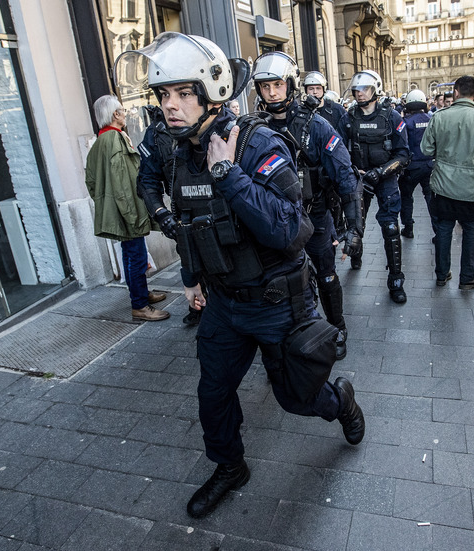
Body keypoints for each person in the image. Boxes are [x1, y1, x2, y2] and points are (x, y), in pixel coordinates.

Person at [119, 32, 365, 520]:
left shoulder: (257, 144)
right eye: (163, 95)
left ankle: (342, 402)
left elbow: (291, 229)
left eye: (183, 94)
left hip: (278, 302)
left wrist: (230, 175)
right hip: (225, 303)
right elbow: (192, 222)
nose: (170, 106)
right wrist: (191, 278)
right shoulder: (180, 152)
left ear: (213, 90)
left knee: (298, 399)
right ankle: (230, 467)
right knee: (212, 391)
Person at [252, 52, 364, 361]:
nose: (272, 92)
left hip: (313, 218)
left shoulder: (316, 126)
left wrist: (355, 227)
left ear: (289, 85)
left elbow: (345, 174)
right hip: (273, 224)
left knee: (326, 275)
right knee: (280, 283)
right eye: (265, 86)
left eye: (277, 84)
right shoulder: (250, 130)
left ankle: (337, 327)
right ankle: (285, 341)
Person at [84, 94, 170, 322]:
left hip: (118, 210)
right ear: (115, 115)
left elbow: (91, 182)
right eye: (121, 110)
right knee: (137, 256)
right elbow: (123, 184)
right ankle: (140, 305)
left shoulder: (99, 142)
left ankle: (140, 295)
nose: (124, 113)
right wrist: (131, 215)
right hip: (127, 210)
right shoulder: (115, 139)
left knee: (131, 255)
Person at [421, 75, 474, 291]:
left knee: (443, 230)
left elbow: (426, 149)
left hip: (443, 186)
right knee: (471, 231)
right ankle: (468, 276)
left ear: (456, 93)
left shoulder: (439, 117)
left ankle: (442, 274)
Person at [339, 70, 412, 303]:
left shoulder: (392, 118)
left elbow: (403, 155)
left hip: (385, 179)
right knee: (355, 223)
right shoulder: (348, 118)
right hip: (359, 178)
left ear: (375, 90)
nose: (360, 94)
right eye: (357, 90)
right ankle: (355, 255)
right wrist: (352, 170)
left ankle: (396, 280)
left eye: (365, 89)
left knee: (391, 229)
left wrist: (380, 172)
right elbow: (339, 150)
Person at [398, 89, 436, 240]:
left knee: (406, 197)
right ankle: (438, 231)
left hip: (411, 167)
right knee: (430, 198)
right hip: (429, 165)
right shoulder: (431, 119)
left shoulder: (405, 122)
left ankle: (408, 228)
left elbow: (402, 144)